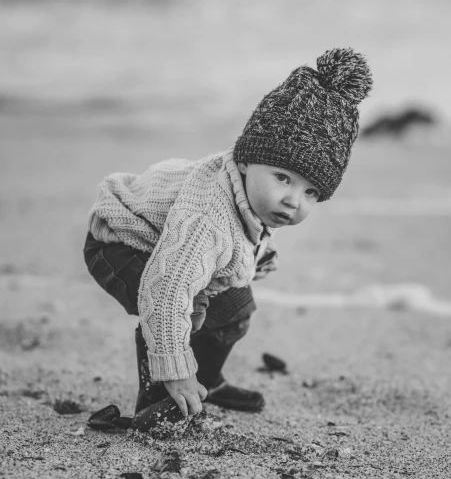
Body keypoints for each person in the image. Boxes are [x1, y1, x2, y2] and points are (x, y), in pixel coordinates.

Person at [83, 48, 373, 430]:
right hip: (121, 240)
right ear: (246, 161)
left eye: (311, 192)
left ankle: (206, 380)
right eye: (283, 178)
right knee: (185, 307)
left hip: (175, 244)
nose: (292, 200)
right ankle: (160, 402)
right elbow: (167, 290)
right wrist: (175, 366)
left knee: (236, 309)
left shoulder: (254, 196)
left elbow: (247, 230)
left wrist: (258, 257)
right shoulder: (208, 216)